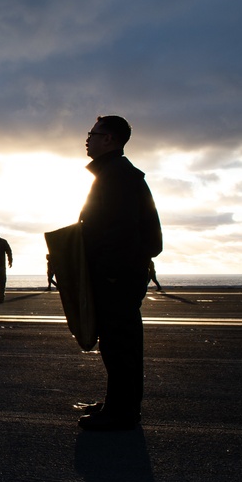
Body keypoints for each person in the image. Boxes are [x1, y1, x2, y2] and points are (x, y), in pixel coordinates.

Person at [76, 115, 163, 431]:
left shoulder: (117, 177)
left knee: (120, 344)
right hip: (120, 273)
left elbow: (122, 232)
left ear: (109, 139)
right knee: (116, 343)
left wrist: (111, 273)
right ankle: (119, 403)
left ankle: (122, 411)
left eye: (93, 133)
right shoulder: (116, 175)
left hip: (117, 276)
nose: (88, 139)